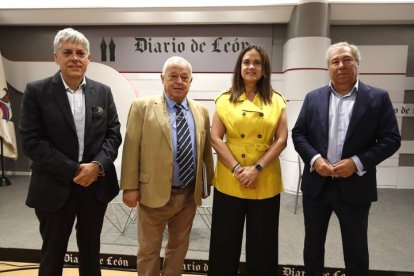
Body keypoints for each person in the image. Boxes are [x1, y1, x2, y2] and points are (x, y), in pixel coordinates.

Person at [19, 28, 122, 276]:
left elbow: (113, 134)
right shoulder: (37, 91)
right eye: (67, 52)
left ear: (88, 58)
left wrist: (97, 167)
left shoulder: (103, 92)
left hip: (95, 187)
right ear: (56, 57)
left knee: (91, 252)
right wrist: (75, 170)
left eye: (80, 53)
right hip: (53, 188)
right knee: (52, 253)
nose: (74, 58)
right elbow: (32, 141)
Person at [292, 42, 401, 275]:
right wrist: (314, 159)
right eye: (335, 61)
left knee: (356, 250)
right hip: (317, 187)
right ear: (328, 68)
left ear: (357, 63)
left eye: (346, 59)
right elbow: (298, 133)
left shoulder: (378, 98)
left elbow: (391, 139)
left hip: (356, 186)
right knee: (312, 247)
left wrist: (357, 162)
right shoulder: (313, 98)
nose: (341, 65)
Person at [120, 56, 214, 276]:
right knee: (148, 251)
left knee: (179, 248)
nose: (179, 81)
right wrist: (129, 187)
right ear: (162, 79)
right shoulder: (142, 106)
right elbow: (132, 147)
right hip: (152, 194)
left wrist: (206, 184)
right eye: (173, 76)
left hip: (188, 195)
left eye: (184, 77)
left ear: (191, 81)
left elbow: (205, 151)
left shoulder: (201, 111)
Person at [208, 45, 288, 276]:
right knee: (224, 244)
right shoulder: (224, 100)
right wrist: (238, 169)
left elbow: (281, 139)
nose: (251, 66)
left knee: (263, 246)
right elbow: (215, 138)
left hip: (265, 179)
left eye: (257, 62)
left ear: (264, 69)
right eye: (246, 62)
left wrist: (256, 168)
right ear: (239, 68)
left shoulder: (277, 101)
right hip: (230, 179)